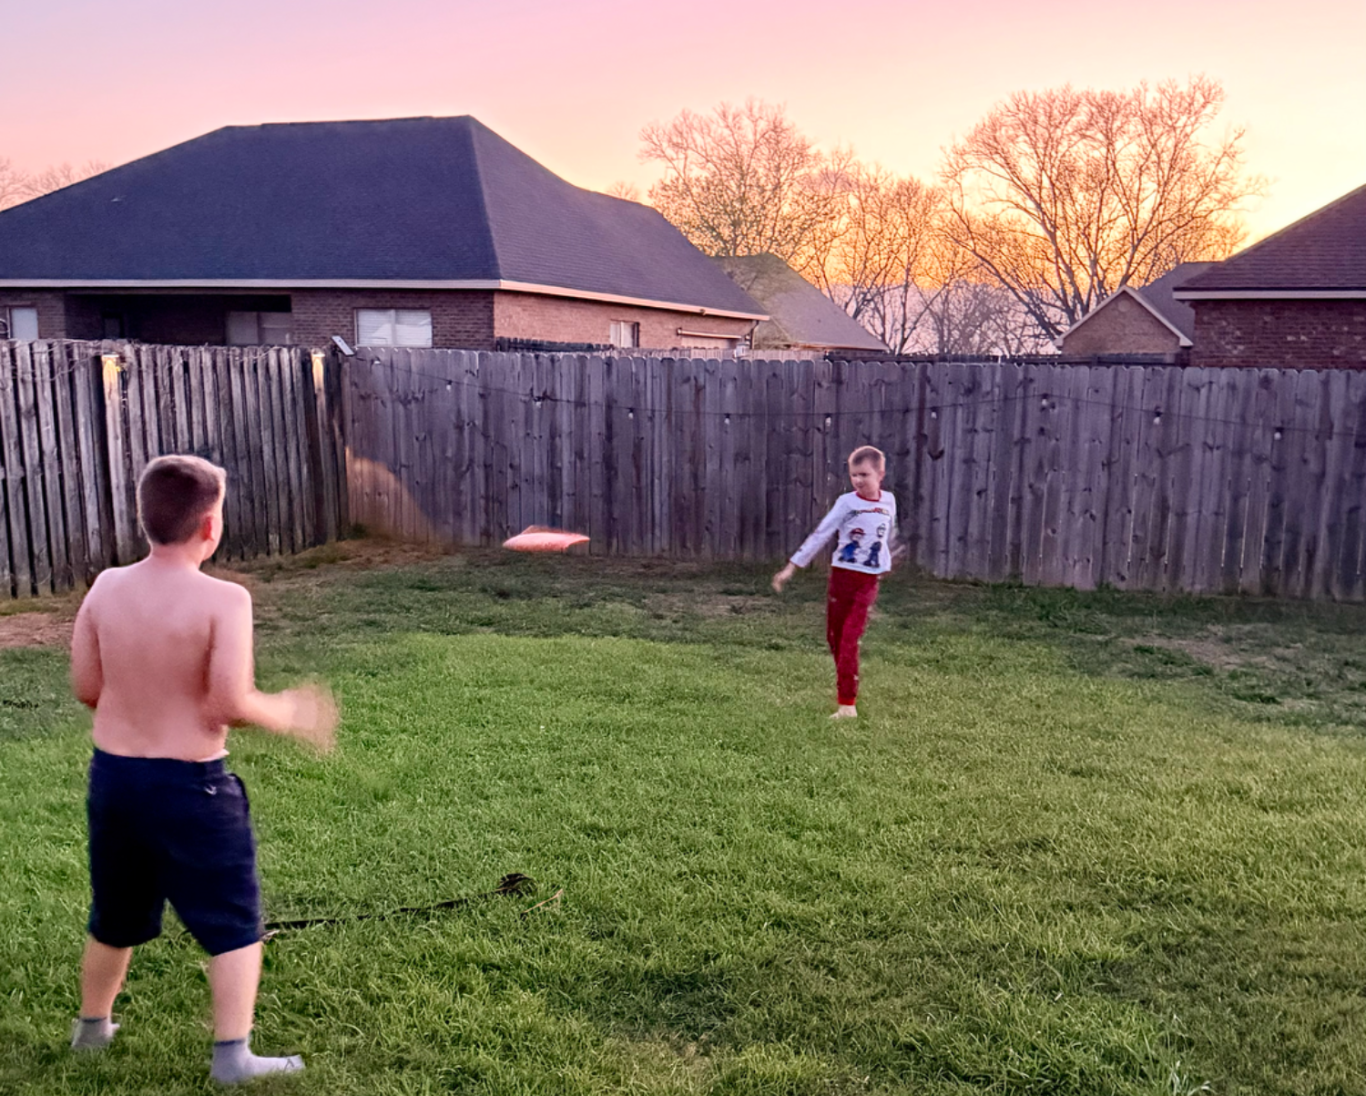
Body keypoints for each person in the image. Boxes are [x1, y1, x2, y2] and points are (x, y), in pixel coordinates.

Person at [68, 454, 337, 1084]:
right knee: (234, 921)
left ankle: (92, 1029)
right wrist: (290, 713)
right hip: (193, 789)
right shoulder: (225, 599)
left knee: (115, 914)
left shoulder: (105, 587)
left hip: (115, 781)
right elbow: (227, 703)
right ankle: (232, 1057)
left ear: (144, 517)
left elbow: (87, 688)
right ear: (210, 526)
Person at [772, 446, 897, 719]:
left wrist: (885, 565)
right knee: (835, 639)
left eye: (864, 474)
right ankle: (846, 682)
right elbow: (821, 534)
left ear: (880, 474)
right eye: (854, 475)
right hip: (842, 579)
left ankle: (847, 705)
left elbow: (886, 536)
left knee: (850, 639)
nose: (858, 480)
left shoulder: (889, 501)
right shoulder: (846, 503)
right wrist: (792, 567)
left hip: (867, 583)